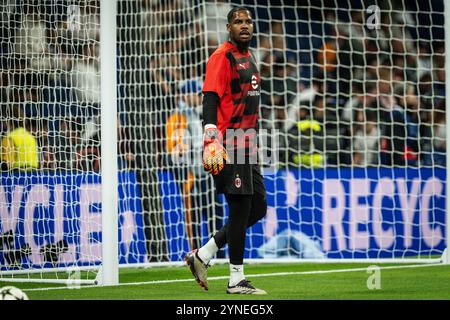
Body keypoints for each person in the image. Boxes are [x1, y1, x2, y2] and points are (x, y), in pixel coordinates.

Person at [184, 7, 267, 295]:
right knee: (241, 206)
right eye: (238, 22)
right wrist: (210, 134)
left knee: (257, 208)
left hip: (248, 143)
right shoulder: (222, 56)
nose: (244, 26)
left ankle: (204, 254)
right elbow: (210, 96)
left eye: (247, 21)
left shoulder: (248, 56)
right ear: (228, 27)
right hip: (229, 142)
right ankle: (236, 279)